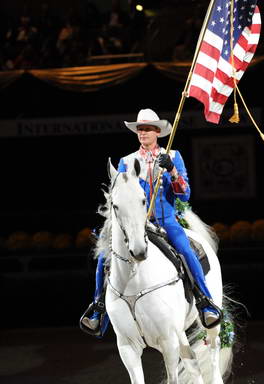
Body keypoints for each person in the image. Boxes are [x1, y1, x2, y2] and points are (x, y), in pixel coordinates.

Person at [80, 108, 222, 336]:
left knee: (186, 250)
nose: (142, 132)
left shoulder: (173, 156)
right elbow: (121, 195)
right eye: (139, 129)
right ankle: (97, 308)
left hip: (167, 221)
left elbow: (184, 195)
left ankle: (205, 302)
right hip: (137, 224)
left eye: (147, 129)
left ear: (157, 131)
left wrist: (173, 170)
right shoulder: (126, 161)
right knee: (105, 255)